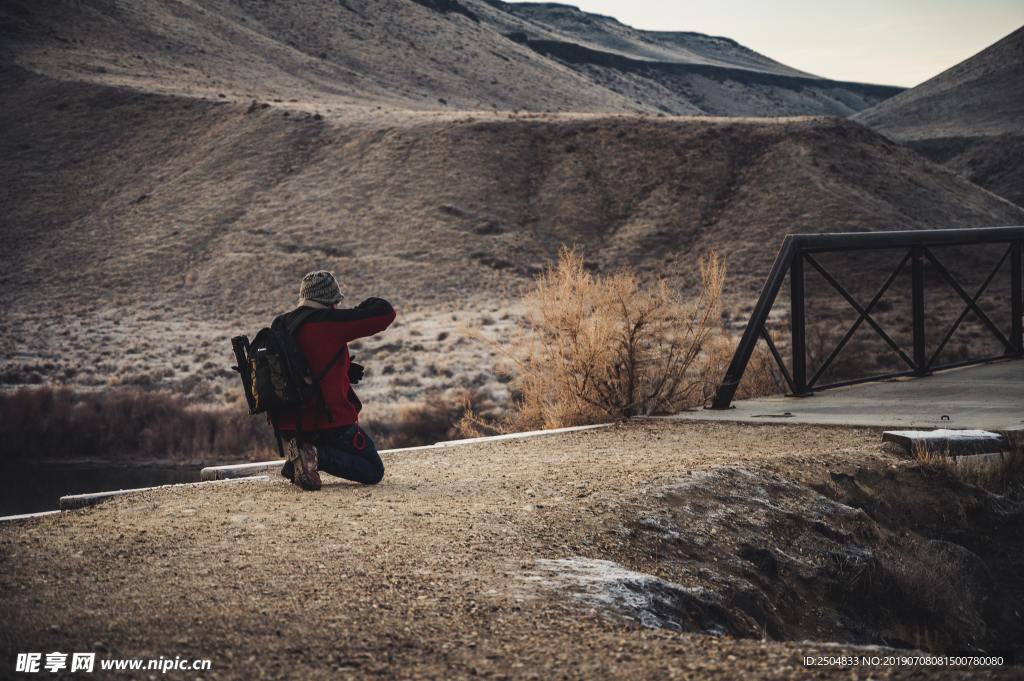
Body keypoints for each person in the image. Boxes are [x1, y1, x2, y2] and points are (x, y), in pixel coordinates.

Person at [273, 270, 396, 490]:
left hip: (289, 424)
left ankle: (298, 460)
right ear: (331, 301)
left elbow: (304, 364)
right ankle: (314, 456)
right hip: (328, 422)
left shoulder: (282, 323)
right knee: (373, 469)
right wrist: (361, 305)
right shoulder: (328, 321)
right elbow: (385, 313)